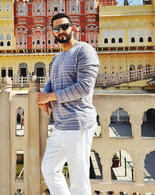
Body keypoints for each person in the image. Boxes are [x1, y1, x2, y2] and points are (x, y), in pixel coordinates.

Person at [36, 13, 99, 195]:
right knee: (49, 168)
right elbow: (53, 80)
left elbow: (84, 87)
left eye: (64, 27)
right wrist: (44, 95)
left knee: (79, 181)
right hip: (60, 125)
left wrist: (51, 97)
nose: (61, 31)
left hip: (78, 123)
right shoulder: (57, 58)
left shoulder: (84, 51)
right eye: (56, 29)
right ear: (52, 33)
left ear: (73, 28)